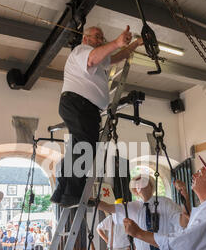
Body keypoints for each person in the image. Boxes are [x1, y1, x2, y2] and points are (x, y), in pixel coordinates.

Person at [50, 25, 144, 207]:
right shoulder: (81, 50)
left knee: (77, 149)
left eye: (102, 37)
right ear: (85, 39)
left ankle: (62, 190)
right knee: (85, 148)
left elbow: (117, 57)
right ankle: (72, 193)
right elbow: (92, 59)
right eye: (97, 36)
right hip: (80, 105)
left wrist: (135, 44)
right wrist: (116, 42)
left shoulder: (99, 58)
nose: (100, 40)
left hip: (81, 107)